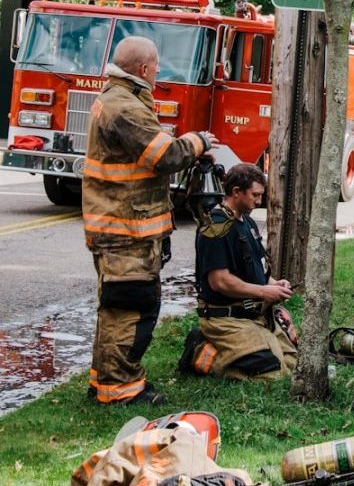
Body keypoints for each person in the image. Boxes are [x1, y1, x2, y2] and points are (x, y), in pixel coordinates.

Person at [83, 36, 217, 405]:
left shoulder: (120, 100)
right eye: (156, 66)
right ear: (143, 69)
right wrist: (197, 142)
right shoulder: (124, 107)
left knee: (116, 309)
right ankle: (120, 389)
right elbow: (164, 156)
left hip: (122, 227)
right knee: (130, 307)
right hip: (125, 231)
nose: (159, 72)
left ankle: (104, 381)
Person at [178, 163, 298, 380]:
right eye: (255, 195)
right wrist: (263, 292)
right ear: (236, 192)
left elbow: (255, 271)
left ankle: (250, 348)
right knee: (273, 373)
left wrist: (274, 284)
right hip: (226, 319)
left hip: (254, 316)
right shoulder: (215, 228)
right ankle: (199, 351)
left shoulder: (247, 222)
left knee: (292, 363)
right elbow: (220, 282)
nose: (259, 201)